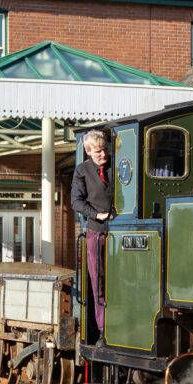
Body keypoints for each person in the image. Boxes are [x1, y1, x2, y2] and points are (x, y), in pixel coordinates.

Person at [71, 130, 113, 342]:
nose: (103, 154)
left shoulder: (115, 166)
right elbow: (76, 202)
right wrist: (97, 214)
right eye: (98, 151)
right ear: (88, 151)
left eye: (104, 149)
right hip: (96, 231)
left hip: (116, 230)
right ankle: (103, 329)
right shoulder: (82, 170)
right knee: (98, 281)